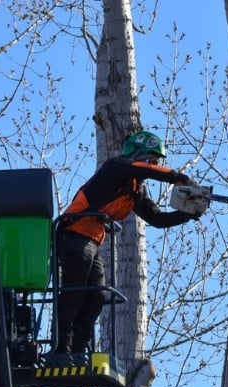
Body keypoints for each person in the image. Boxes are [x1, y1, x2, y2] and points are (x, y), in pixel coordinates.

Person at [53, 130, 199, 354]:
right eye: (151, 159)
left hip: (92, 241)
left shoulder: (134, 189)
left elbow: (156, 218)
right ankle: (61, 348)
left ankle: (78, 348)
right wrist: (178, 177)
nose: (153, 164)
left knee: (97, 295)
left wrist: (186, 214)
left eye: (156, 162)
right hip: (74, 235)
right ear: (138, 154)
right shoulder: (116, 167)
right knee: (75, 293)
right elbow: (144, 169)